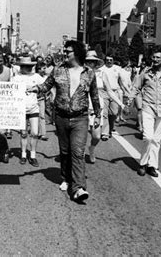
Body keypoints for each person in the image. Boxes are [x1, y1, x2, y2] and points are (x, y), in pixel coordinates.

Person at [29, 40, 100, 203]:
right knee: (65, 151)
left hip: (80, 118)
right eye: (65, 51)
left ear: (77, 53)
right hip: (61, 117)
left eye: (68, 51)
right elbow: (46, 86)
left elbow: (94, 95)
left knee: (78, 152)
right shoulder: (58, 70)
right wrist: (35, 89)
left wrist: (97, 114)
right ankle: (66, 177)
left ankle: (78, 187)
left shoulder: (89, 73)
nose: (65, 54)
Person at [127, 45, 161, 178]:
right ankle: (143, 164)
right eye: (154, 57)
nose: (155, 60)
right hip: (148, 107)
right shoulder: (146, 72)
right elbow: (136, 87)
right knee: (148, 137)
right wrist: (129, 101)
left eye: (158, 58)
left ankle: (152, 166)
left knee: (156, 139)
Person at [14, 56, 45, 167]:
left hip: (33, 108)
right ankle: (23, 155)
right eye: (24, 66)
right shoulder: (16, 78)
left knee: (35, 133)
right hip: (21, 109)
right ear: (21, 66)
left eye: (28, 66)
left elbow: (45, 85)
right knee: (23, 133)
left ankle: (32, 155)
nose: (26, 68)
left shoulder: (36, 76)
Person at [100, 54, 130, 141]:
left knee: (113, 113)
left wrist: (128, 92)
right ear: (105, 60)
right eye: (108, 60)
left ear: (113, 60)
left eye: (111, 60)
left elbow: (122, 82)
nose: (109, 61)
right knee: (104, 113)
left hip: (114, 92)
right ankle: (105, 133)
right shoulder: (101, 69)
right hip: (104, 92)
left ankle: (110, 129)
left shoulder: (117, 69)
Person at [35, 61, 49, 141]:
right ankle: (35, 132)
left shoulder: (45, 77)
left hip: (41, 99)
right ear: (39, 69)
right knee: (34, 116)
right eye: (43, 68)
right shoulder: (36, 76)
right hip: (34, 99)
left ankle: (43, 133)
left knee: (42, 116)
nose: (44, 70)